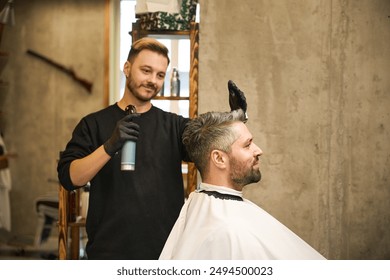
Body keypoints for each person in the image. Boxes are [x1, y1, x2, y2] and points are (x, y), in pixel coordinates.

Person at [57, 38, 191, 259]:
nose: (152, 81)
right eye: (146, 70)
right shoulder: (93, 124)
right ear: (127, 68)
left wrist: (232, 121)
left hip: (165, 255)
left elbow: (209, 143)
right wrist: (109, 147)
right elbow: (70, 178)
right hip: (109, 254)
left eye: (160, 75)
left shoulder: (174, 126)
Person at [159, 109, 326, 259]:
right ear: (219, 158)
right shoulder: (228, 231)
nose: (258, 150)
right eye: (247, 145)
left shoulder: (199, 205)